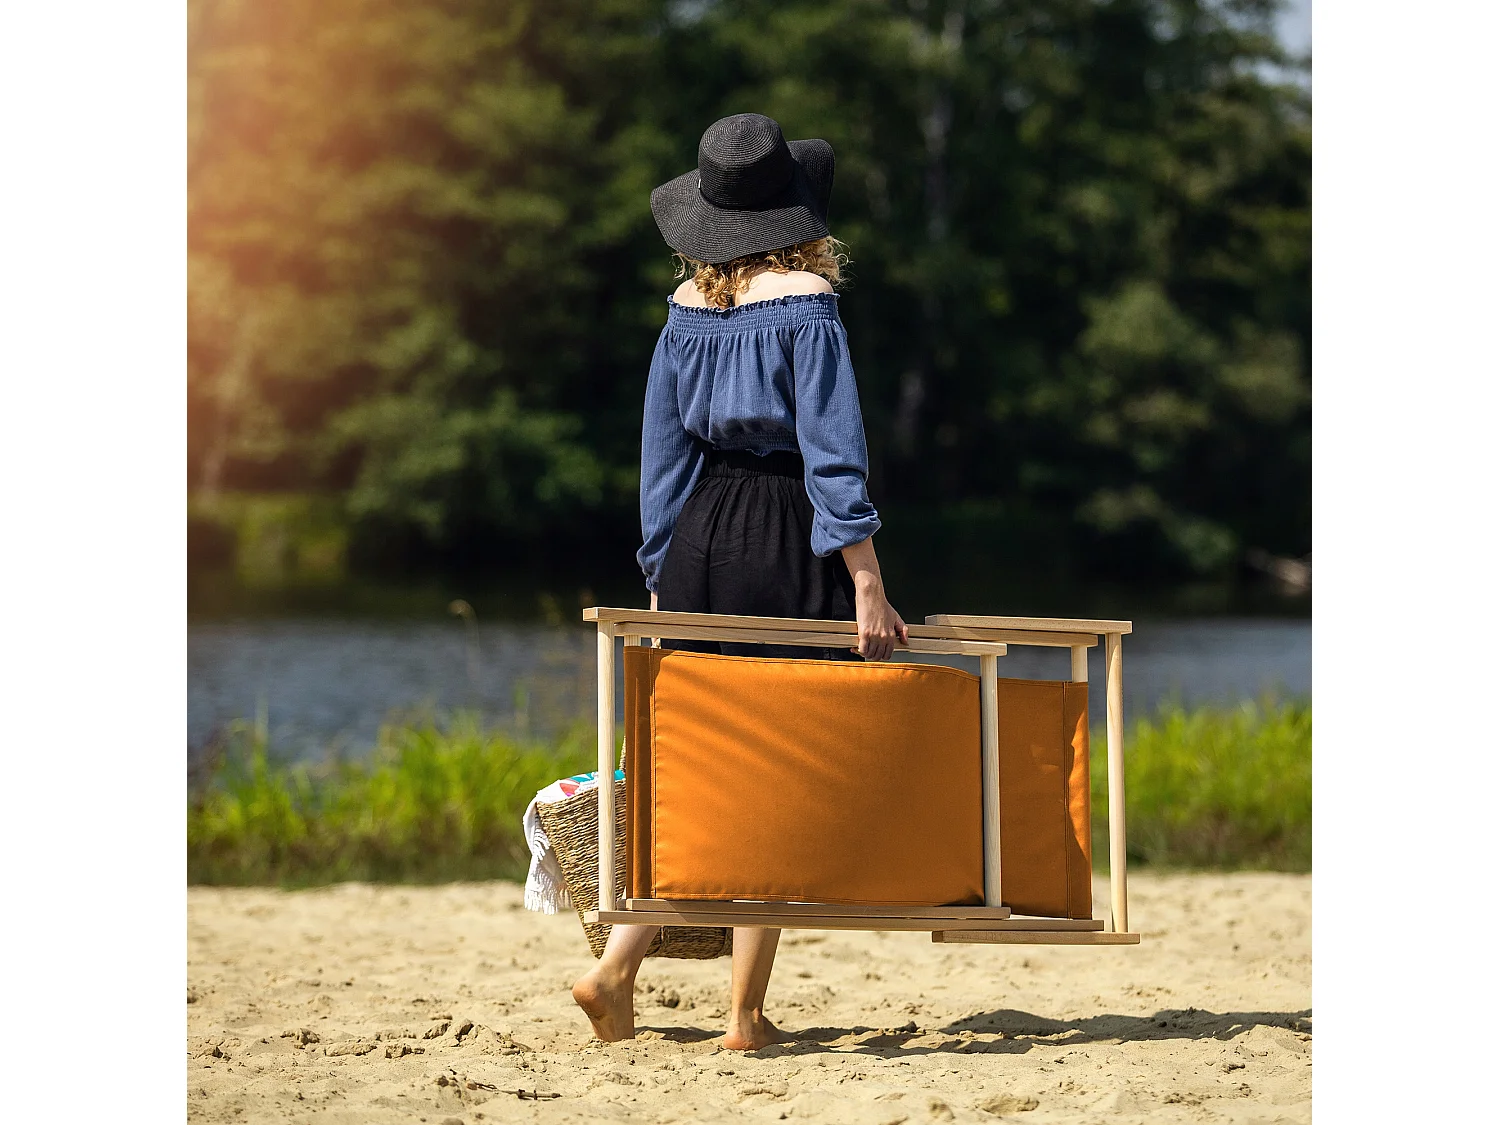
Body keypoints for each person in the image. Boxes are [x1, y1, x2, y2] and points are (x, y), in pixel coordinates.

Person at [571, 112, 908, 1049]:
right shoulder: (807, 303)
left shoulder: (684, 311)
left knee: (699, 763)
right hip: (780, 531)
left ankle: (614, 966)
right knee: (779, 761)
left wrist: (658, 572)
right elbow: (832, 456)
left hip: (696, 538)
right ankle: (744, 1015)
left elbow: (661, 456)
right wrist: (867, 577)